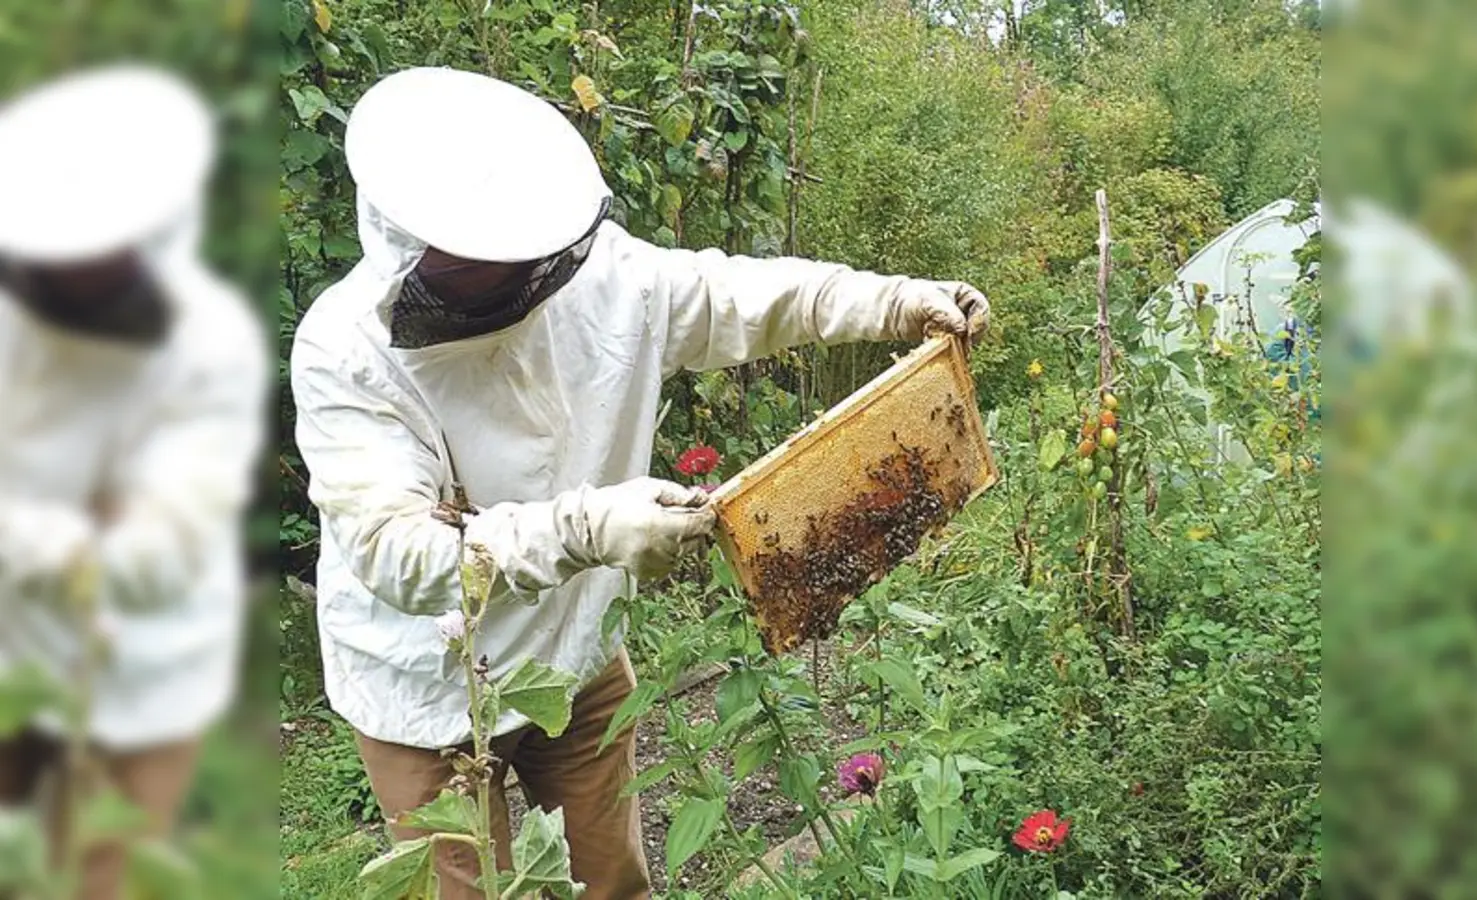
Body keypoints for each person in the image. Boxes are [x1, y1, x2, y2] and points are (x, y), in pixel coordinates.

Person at [290, 65, 990, 900]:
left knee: (609, 879)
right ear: (408, 240)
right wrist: (587, 529)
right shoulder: (345, 350)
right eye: (471, 253)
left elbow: (740, 296)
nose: (504, 266)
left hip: (574, 649)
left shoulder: (603, 275)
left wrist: (891, 301)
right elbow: (394, 550)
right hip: (429, 685)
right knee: (464, 891)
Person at [0, 65, 269, 897]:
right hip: (14, 646)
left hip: (145, 669)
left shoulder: (210, 343)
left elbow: (155, 555)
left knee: (99, 880)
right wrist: (76, 526)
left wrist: (45, 535)